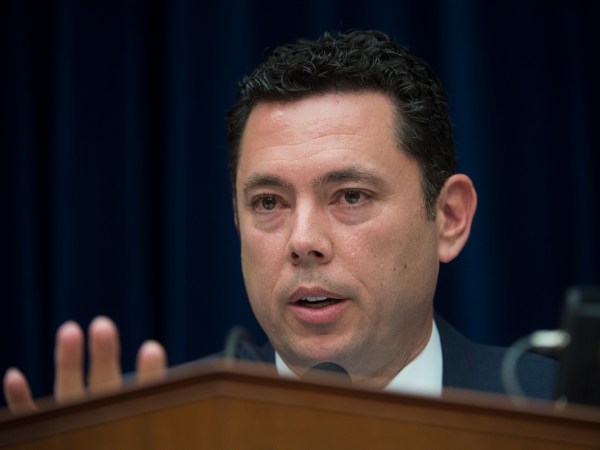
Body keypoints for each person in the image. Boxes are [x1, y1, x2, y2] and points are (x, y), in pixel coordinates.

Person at [3, 30, 556, 413]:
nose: (303, 241)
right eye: (269, 202)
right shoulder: (151, 430)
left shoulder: (566, 413)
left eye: (351, 196)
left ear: (449, 218)